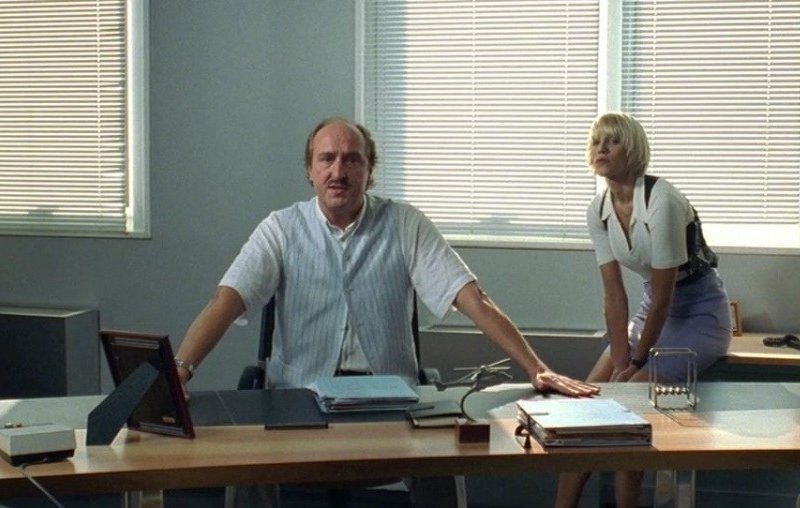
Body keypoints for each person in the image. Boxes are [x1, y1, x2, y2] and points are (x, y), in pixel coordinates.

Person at [175, 116, 599, 508]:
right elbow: (225, 300)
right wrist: (181, 370)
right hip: (298, 397)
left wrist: (537, 367)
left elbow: (472, 298)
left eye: (351, 160)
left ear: (370, 170)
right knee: (248, 461)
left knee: (443, 452)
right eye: (327, 159)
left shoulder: (404, 223)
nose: (338, 171)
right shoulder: (281, 228)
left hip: (389, 400)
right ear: (309, 170)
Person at [555, 112, 732, 508]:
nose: (602, 148)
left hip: (699, 314)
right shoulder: (598, 209)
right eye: (597, 141)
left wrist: (634, 364)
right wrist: (621, 358)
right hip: (652, 308)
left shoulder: (662, 199)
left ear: (632, 149)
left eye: (613, 141)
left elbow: (667, 297)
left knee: (628, 399)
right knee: (580, 409)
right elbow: (614, 294)